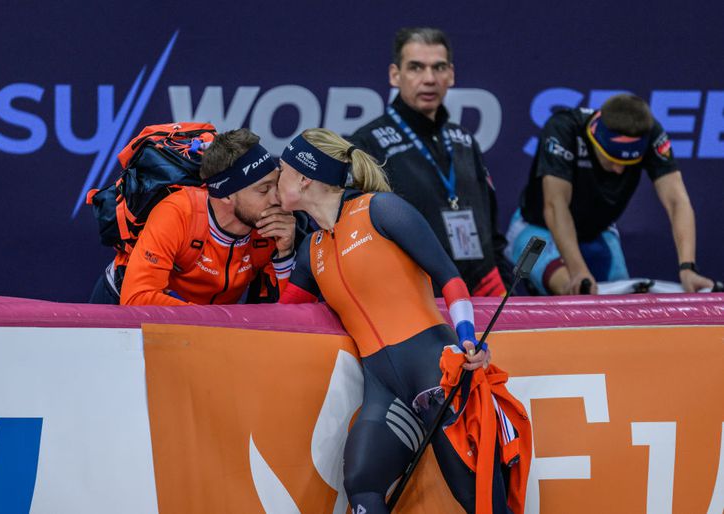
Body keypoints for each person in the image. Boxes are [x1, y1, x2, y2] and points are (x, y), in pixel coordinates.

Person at [278, 128, 528, 513]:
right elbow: (283, 321)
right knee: (361, 481)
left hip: (437, 374)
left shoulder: (381, 210)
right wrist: (281, 253)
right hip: (383, 388)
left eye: (282, 170)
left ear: (304, 176)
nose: (276, 179)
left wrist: (466, 339)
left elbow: (450, 277)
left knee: (480, 500)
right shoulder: (310, 251)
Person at [350, 27, 512, 298]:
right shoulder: (368, 143)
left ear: (451, 75)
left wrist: (504, 291)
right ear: (395, 75)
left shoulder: (464, 141)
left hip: (481, 292)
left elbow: (492, 232)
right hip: (417, 299)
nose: (429, 79)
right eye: (415, 68)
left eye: (438, 68)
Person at [506, 93, 714, 295]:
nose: (618, 170)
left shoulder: (650, 133)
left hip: (598, 234)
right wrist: (578, 270)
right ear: (595, 138)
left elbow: (677, 201)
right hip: (534, 232)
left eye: (627, 163)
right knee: (571, 289)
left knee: (621, 304)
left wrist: (688, 267)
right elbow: (555, 205)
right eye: (611, 159)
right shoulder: (563, 127)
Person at [119, 128, 296, 306]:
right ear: (226, 195)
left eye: (277, 185)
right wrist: (214, 323)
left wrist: (285, 255)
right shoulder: (178, 213)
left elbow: (285, 316)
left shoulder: (275, 227)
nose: (277, 199)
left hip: (205, 323)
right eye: (264, 190)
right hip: (120, 307)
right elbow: (136, 298)